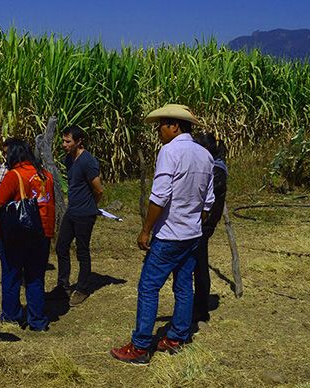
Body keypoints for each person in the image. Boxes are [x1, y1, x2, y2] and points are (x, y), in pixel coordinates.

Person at [110, 104, 215, 364]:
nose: (158, 130)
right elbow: (208, 202)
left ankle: (141, 346)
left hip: (169, 235)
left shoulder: (170, 152)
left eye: (161, 125)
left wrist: (146, 229)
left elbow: (160, 196)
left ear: (174, 126)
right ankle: (178, 336)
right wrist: (194, 223)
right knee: (183, 286)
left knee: (148, 287)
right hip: (192, 234)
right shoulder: (205, 155)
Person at [0, 139, 55, 331]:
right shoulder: (45, 174)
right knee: (35, 277)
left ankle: (12, 317)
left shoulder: (15, 175)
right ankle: (37, 320)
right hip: (42, 232)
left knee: (11, 275)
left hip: (18, 234)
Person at [55, 125, 103, 307]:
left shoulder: (88, 161)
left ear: (79, 141)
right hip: (72, 210)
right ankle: (63, 285)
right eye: (63, 141)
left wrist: (91, 206)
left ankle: (82, 288)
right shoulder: (69, 159)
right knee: (61, 247)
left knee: (82, 250)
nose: (64, 144)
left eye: (68, 141)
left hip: (84, 213)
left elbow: (98, 189)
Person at [193, 132, 228, 323]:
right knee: (197, 264)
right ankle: (198, 306)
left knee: (199, 266)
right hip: (203, 222)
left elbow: (206, 198)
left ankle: (200, 308)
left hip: (203, 223)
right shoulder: (215, 166)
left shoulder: (215, 170)